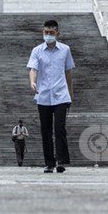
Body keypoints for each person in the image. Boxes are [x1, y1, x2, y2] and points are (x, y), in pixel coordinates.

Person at [27, 18, 74, 173]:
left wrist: (71, 95)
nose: (48, 35)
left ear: (57, 33)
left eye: (51, 33)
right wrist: (33, 82)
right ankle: (49, 162)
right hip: (43, 95)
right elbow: (33, 69)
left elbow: (68, 72)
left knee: (59, 127)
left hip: (61, 94)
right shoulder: (37, 51)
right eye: (45, 32)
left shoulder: (65, 50)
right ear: (43, 32)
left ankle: (61, 161)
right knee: (45, 130)